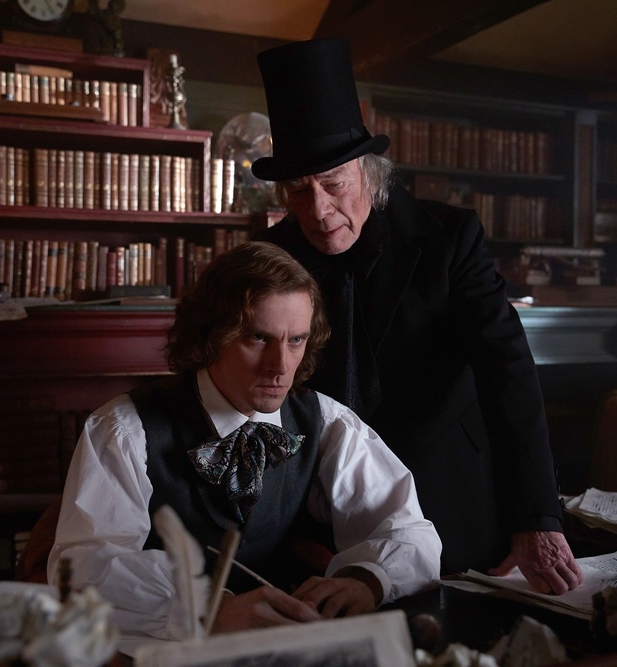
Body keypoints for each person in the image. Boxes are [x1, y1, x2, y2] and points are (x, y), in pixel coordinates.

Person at [252, 38, 583, 595]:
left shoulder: (450, 239)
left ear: (368, 172)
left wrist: (535, 515)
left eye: (333, 184)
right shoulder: (272, 256)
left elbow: (507, 371)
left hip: (449, 497)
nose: (318, 210)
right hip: (318, 513)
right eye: (299, 190)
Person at [48, 240, 441, 639]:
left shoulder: (327, 421)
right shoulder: (124, 427)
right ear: (211, 335)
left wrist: (367, 580)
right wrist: (207, 611)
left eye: (296, 340)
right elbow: (84, 566)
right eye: (257, 337)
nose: (280, 366)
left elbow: (411, 532)